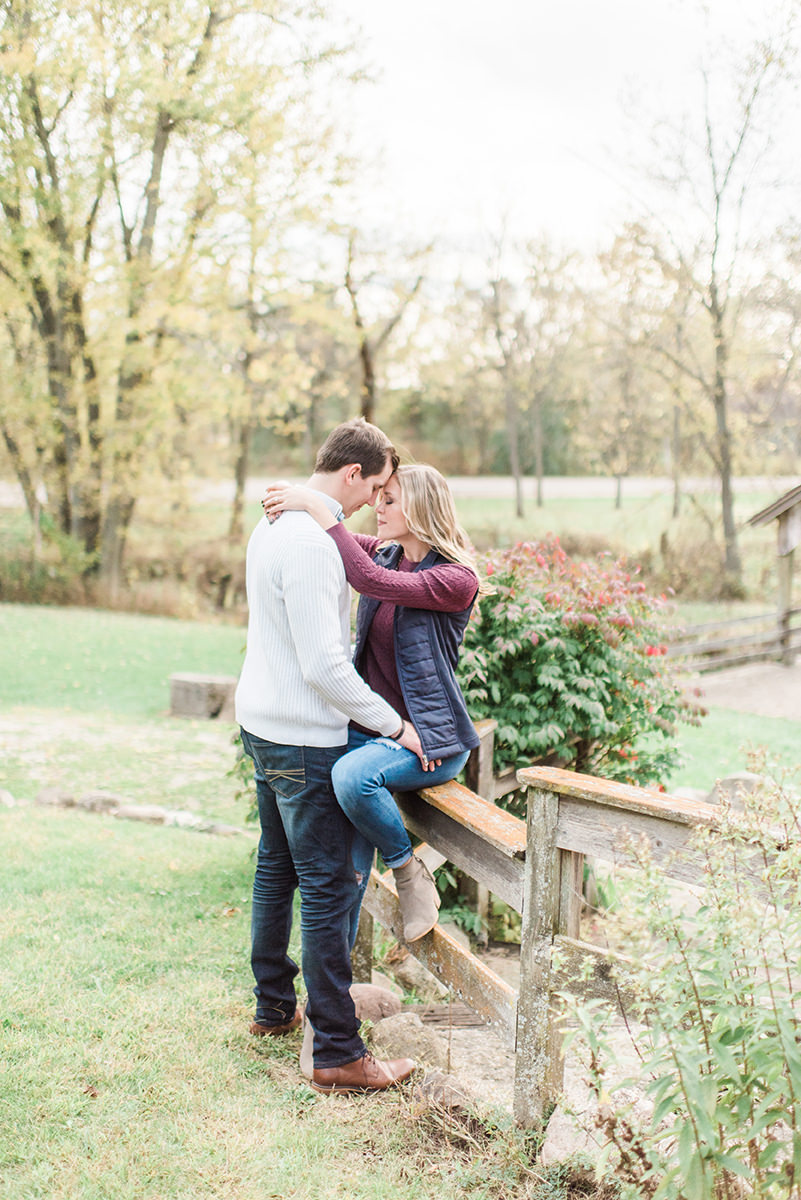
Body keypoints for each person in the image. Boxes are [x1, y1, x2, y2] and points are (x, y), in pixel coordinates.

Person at [235, 418, 424, 1096]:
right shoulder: (312, 544)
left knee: (273, 867)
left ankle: (272, 1008)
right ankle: (337, 1053)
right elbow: (323, 665)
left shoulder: (272, 523)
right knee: (325, 887)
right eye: (374, 486)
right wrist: (391, 723)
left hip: (260, 723)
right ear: (352, 474)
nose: (375, 499)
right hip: (302, 737)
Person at [262, 462, 487, 946]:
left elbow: (362, 577)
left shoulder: (454, 578)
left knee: (350, 777)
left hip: (430, 739)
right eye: (377, 497)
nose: (376, 508)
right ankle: (332, 1008)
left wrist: (317, 507)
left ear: (421, 507)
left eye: (388, 500)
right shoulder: (388, 555)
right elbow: (344, 550)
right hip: (377, 733)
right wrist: (304, 496)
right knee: (345, 876)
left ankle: (409, 872)